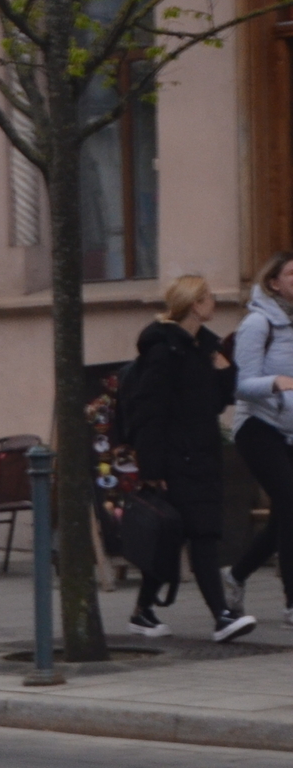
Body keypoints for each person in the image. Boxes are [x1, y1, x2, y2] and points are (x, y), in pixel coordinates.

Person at [120, 273, 249, 640]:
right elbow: (150, 412)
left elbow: (220, 400)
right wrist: (152, 467)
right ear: (195, 303)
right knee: (200, 534)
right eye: (208, 296)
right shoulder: (164, 351)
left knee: (177, 536)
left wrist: (225, 369)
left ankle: (143, 610)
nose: (214, 302)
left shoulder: (204, 348)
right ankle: (222, 616)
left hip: (203, 453)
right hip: (176, 457)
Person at [229, 251, 293, 626]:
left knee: (285, 515)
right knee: (290, 503)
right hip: (258, 427)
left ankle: (235, 575)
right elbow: (242, 386)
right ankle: (291, 603)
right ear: (274, 283)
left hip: (289, 429)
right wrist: (276, 382)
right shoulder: (258, 323)